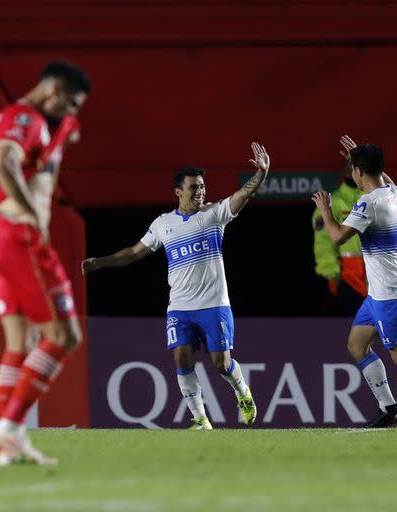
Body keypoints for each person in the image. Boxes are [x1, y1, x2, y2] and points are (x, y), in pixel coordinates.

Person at [82, 144, 271, 430]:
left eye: (203, 187)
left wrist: (261, 173)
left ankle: (242, 392)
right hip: (180, 308)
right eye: (194, 188)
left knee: (221, 364)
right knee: (181, 356)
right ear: (178, 192)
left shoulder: (214, 214)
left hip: (214, 304)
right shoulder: (163, 224)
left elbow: (244, 194)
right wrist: (101, 262)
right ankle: (200, 419)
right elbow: (133, 253)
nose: (200, 192)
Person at [0, 60, 89, 465]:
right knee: (65, 336)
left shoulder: (36, 123)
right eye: (72, 104)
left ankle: (12, 440)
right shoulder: (24, 118)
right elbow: (5, 164)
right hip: (18, 236)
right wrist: (30, 217)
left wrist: (64, 135)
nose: (73, 113)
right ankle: (8, 426)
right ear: (53, 90)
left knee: (18, 343)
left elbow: (43, 150)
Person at [312, 135, 397, 428]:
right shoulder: (396, 193)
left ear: (358, 172)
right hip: (380, 293)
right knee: (357, 345)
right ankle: (390, 409)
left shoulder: (369, 203)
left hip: (391, 293)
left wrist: (326, 210)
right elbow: (382, 179)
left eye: (353, 167)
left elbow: (338, 237)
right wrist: (358, 156)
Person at [312, 161, 366, 314]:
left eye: (355, 166)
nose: (350, 170)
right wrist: (332, 274)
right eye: (347, 166)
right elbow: (323, 242)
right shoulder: (332, 201)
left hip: (378, 275)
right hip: (348, 278)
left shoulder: (373, 198)